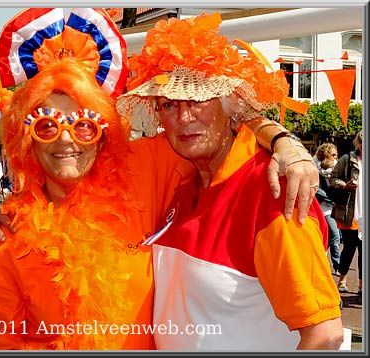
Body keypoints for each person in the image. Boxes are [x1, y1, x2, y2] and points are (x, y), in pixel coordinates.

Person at [0, 8, 321, 351]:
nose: (65, 140)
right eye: (46, 125)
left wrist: (282, 141)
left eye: (83, 125)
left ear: (102, 133)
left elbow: (213, 125)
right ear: (27, 140)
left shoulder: (141, 168)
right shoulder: (6, 240)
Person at [115, 12, 343, 350]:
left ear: (230, 105)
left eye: (199, 99)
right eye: (169, 104)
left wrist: (284, 141)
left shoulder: (270, 188)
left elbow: (325, 335)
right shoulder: (183, 180)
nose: (184, 117)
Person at [330, 130, 363, 294]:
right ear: (358, 142)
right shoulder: (348, 159)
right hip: (350, 211)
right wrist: (345, 185)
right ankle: (342, 280)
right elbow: (333, 178)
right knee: (349, 248)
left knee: (364, 250)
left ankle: (362, 285)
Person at [314, 143, 341, 274]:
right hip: (321, 207)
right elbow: (316, 189)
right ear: (326, 155)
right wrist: (331, 200)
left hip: (334, 206)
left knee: (331, 236)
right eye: (333, 154)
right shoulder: (314, 167)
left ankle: (330, 264)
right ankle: (336, 266)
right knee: (333, 235)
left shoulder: (336, 167)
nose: (336, 157)